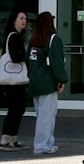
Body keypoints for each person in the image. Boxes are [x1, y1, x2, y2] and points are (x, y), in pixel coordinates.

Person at [26, 12, 68, 156]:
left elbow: (28, 61)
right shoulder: (53, 39)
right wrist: (62, 80)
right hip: (48, 82)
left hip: (35, 82)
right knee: (47, 116)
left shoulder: (33, 41)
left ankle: (46, 144)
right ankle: (42, 145)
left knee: (41, 115)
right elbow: (57, 63)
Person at [0, 12, 29, 150]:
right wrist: (25, 56)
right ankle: (5, 140)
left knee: (17, 108)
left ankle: (13, 139)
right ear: (14, 21)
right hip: (13, 81)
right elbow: (16, 57)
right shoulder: (14, 36)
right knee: (16, 108)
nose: (24, 21)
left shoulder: (14, 36)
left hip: (14, 80)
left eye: (25, 19)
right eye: (21, 18)